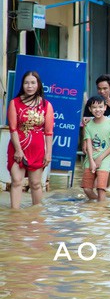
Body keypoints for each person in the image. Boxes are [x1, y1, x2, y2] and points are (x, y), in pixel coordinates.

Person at [6, 71, 54, 208]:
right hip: (18, 148)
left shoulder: (46, 105)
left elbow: (49, 132)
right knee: (16, 181)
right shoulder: (14, 103)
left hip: (38, 149)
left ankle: (36, 215)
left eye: (33, 83)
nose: (29, 86)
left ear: (38, 85)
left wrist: (48, 153)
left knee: (36, 184)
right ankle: (14, 215)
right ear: (22, 85)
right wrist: (18, 150)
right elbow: (13, 129)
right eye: (26, 82)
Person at [81, 95, 110, 201]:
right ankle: (97, 207)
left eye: (100, 107)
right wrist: (92, 161)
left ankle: (101, 213)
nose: (98, 110)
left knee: (101, 188)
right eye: (94, 107)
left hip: (105, 158)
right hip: (90, 158)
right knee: (87, 189)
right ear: (90, 109)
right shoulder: (88, 124)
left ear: (105, 107)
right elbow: (88, 143)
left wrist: (100, 158)